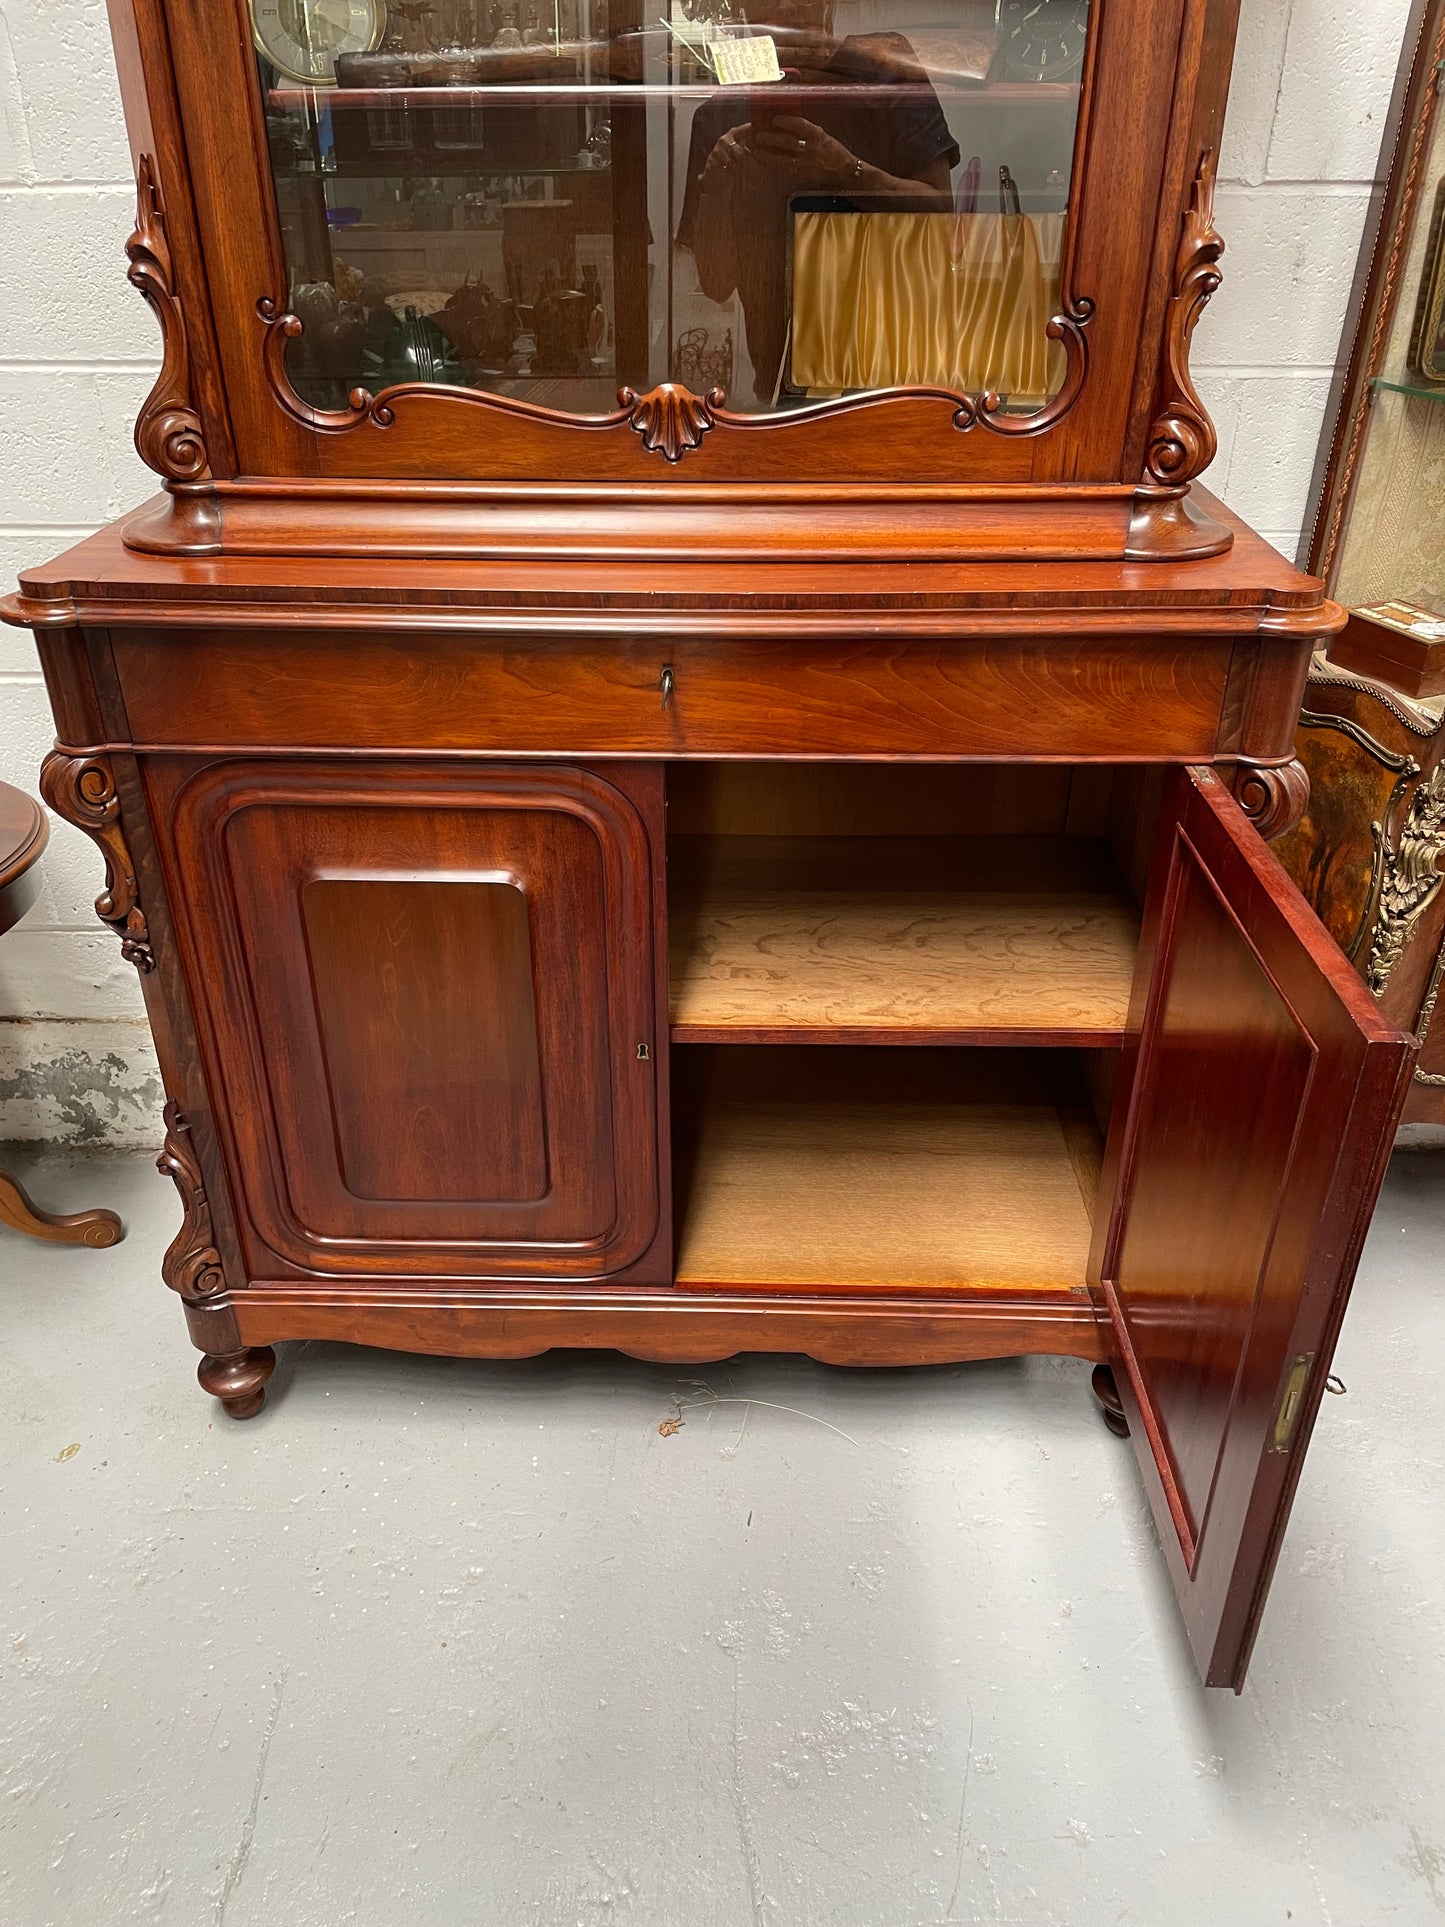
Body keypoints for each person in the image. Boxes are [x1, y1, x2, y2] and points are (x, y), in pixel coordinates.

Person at [677, 2, 959, 403]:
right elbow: (717, 284)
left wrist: (845, 169)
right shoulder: (722, 111)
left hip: (893, 353)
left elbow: (940, 212)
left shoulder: (884, 67)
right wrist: (718, 189)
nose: (789, 4)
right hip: (782, 370)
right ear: (744, 7)